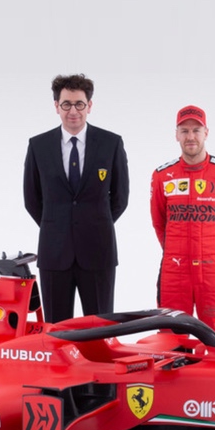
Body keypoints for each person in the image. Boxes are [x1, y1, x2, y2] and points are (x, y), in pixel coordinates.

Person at [23, 74, 129, 322]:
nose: (73, 111)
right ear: (56, 106)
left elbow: (120, 197)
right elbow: (32, 199)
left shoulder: (111, 143)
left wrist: (93, 223)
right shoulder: (38, 146)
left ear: (89, 105)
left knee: (101, 328)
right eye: (66, 104)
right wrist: (58, 225)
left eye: (79, 104)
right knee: (56, 331)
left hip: (98, 250)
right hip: (54, 252)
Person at [149, 105, 215, 345]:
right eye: (184, 131)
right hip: (174, 272)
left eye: (196, 130)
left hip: (213, 271)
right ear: (176, 135)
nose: (190, 136)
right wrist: (176, 252)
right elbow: (159, 222)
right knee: (171, 340)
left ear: (206, 132)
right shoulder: (162, 175)